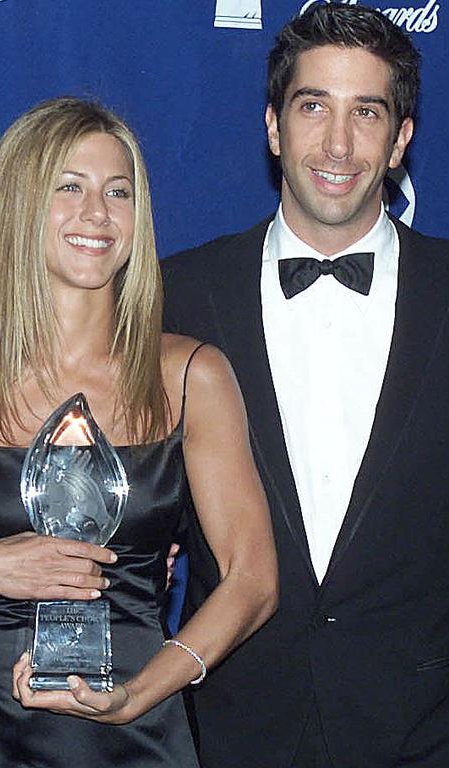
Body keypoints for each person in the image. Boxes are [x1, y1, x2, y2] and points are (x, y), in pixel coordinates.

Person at [0, 97, 277, 768]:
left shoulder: (192, 376)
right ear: (19, 206)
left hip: (143, 720)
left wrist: (144, 691)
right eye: (70, 187)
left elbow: (252, 579)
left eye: (117, 192)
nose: (97, 213)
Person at [162, 5, 449, 768]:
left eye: (368, 113)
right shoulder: (178, 295)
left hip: (422, 729)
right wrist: (8, 627)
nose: (337, 143)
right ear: (273, 127)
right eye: (313, 105)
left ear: (401, 142)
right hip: (228, 726)